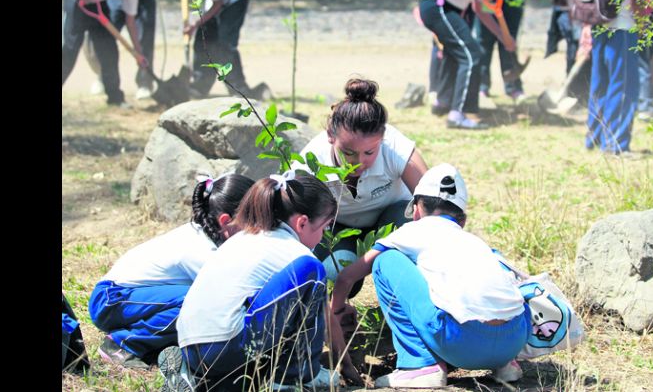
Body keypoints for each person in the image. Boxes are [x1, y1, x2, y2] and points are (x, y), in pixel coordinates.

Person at [329, 163, 531, 387]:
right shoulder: (477, 243)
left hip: (461, 343)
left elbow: (347, 277)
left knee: (385, 261)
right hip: (514, 339)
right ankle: (506, 366)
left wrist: (335, 311)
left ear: (415, 210)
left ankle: (420, 365)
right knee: (497, 268)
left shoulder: (410, 232)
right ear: (462, 220)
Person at [159, 173, 339, 391]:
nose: (323, 235)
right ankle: (295, 378)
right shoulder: (295, 252)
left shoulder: (243, 238)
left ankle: (196, 378)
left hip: (190, 346)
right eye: (325, 227)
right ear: (302, 223)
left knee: (245, 379)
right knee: (312, 271)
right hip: (227, 347)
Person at [88, 173, 255, 369]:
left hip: (128, 299)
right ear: (226, 221)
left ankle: (152, 342)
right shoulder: (201, 250)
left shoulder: (210, 235)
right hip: (111, 300)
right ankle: (123, 343)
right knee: (199, 301)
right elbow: (232, 297)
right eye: (254, 220)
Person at [295, 78, 428, 295]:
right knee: (335, 274)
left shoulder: (394, 147)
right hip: (337, 229)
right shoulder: (310, 163)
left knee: (403, 261)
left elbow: (433, 202)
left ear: (382, 138)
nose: (358, 163)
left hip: (393, 220)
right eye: (348, 153)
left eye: (369, 153)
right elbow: (292, 224)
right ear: (330, 135)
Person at [420, 0, 526, 129]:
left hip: (446, 9)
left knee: (456, 54)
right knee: (471, 55)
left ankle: (444, 102)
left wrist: (503, 37)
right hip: (439, 6)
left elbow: (480, 10)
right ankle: (457, 115)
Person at [582, 0, 647, 155]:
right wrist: (643, 22)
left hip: (599, 25)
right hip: (623, 27)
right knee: (623, 86)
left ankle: (595, 137)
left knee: (600, 83)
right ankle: (616, 143)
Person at [62, 0, 167, 108]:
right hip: (77, 0)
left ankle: (115, 98)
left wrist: (138, 53)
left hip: (98, 3)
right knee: (70, 50)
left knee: (109, 51)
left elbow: (130, 23)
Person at [167, 0, 253, 98]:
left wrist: (195, 24)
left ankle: (239, 89)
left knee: (225, 43)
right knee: (203, 40)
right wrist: (198, 25)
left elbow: (219, 3)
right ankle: (200, 86)